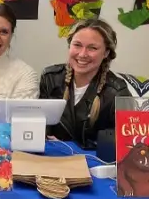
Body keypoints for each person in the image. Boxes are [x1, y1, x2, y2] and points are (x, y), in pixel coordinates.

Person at [39, 18, 129, 149]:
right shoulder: (50, 78)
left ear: (106, 53)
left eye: (92, 48)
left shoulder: (117, 92)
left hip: (94, 163)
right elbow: (40, 126)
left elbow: (124, 145)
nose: (82, 54)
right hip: (52, 158)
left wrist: (73, 148)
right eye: (77, 45)